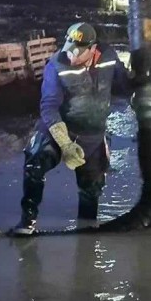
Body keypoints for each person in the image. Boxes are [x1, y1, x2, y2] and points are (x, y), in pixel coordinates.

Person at [13, 23, 131, 235]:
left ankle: (86, 229)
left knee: (91, 189)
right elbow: (49, 107)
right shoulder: (56, 65)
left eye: (77, 50)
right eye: (69, 46)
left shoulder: (109, 57)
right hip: (60, 129)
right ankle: (27, 221)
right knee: (35, 162)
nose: (70, 54)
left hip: (93, 133)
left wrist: (142, 90)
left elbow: (124, 86)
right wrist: (65, 143)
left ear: (93, 49)